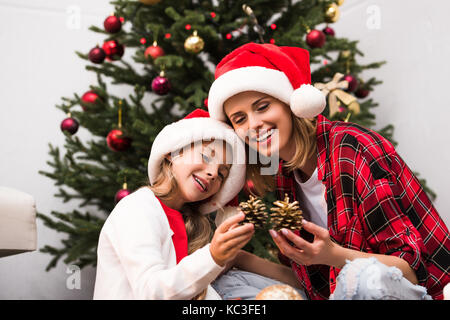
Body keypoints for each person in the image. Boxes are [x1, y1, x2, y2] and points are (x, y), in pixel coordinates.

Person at [207, 43, 450, 300]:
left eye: (263, 106)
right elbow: (313, 286)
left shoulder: (352, 148)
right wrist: (238, 258)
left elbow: (410, 272)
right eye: (240, 119)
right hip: (344, 292)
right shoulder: (284, 175)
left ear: (292, 103)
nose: (254, 124)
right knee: (230, 281)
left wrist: (331, 255)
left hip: (418, 292)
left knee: (362, 276)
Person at [94, 109, 255, 299]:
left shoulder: (187, 225)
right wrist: (213, 256)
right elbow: (150, 292)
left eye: (222, 174)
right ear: (172, 152)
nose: (213, 173)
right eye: (205, 156)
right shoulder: (137, 208)